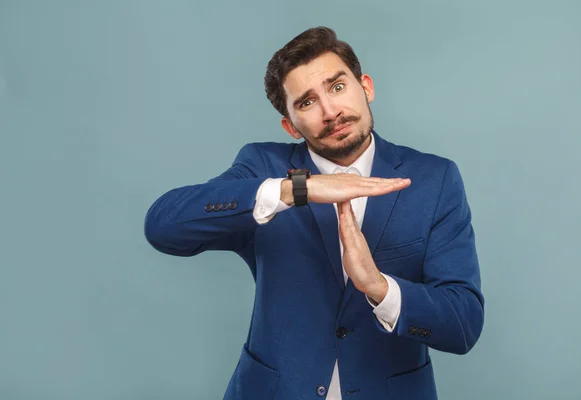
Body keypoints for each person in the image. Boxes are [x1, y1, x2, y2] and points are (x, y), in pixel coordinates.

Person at [144, 26, 484, 400]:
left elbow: (463, 324)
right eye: (307, 102)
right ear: (290, 126)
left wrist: (378, 287)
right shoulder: (263, 166)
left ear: (365, 87)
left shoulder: (434, 179)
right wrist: (294, 190)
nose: (330, 111)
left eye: (337, 87)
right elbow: (163, 225)